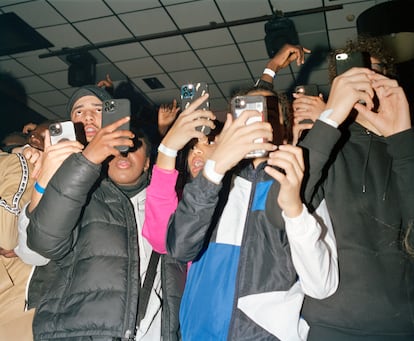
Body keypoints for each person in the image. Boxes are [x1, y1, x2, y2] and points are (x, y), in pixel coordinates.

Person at [299, 67, 414, 340]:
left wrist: (403, 141)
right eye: (354, 80)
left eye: (374, 78)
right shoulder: (327, 146)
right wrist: (328, 121)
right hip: (332, 324)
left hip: (403, 326)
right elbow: (281, 214)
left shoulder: (408, 147)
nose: (366, 88)